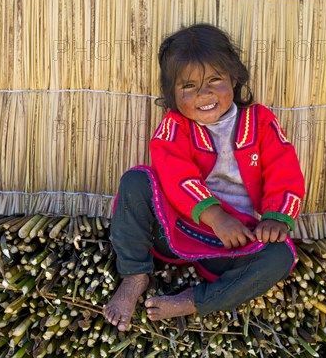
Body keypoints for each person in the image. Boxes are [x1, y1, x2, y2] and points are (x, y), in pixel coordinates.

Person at [104, 24, 305, 331]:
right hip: (178, 228)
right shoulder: (175, 127)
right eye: (189, 86)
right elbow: (175, 176)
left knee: (280, 256)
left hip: (236, 241)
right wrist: (215, 217)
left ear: (234, 78)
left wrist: (277, 218)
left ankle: (195, 300)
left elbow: (283, 167)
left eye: (215, 80)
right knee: (136, 180)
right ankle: (134, 276)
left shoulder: (260, 121)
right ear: (172, 93)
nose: (205, 94)